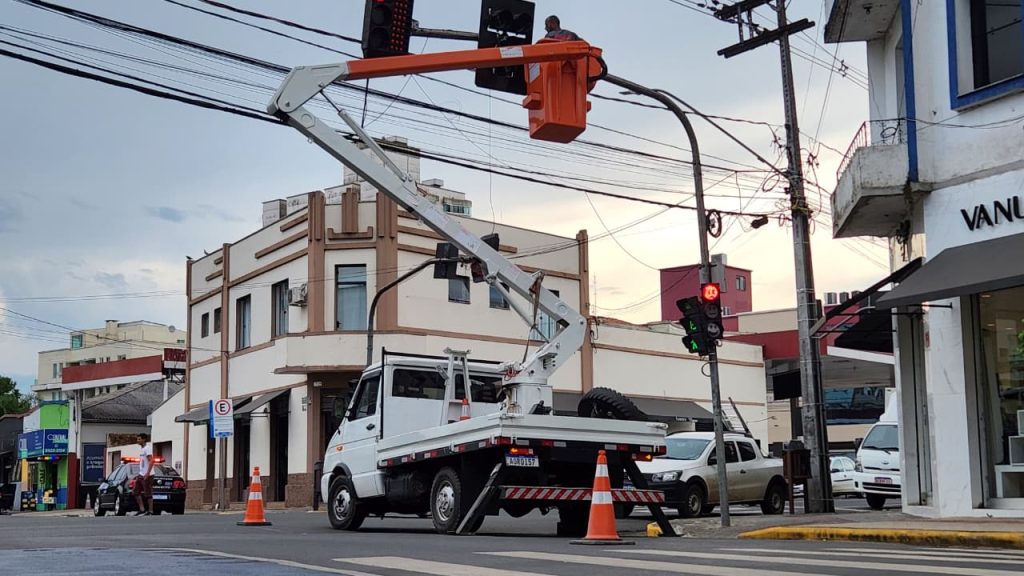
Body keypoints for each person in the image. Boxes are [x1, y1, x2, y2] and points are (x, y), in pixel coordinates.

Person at [133, 433, 154, 516]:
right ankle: (142, 509)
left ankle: (150, 511)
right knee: (135, 491)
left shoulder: (147, 449)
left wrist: (147, 474)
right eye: (137, 439)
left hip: (147, 475)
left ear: (144, 439)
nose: (137, 441)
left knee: (148, 493)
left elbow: (151, 461)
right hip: (141, 474)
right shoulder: (142, 449)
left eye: (139, 439)